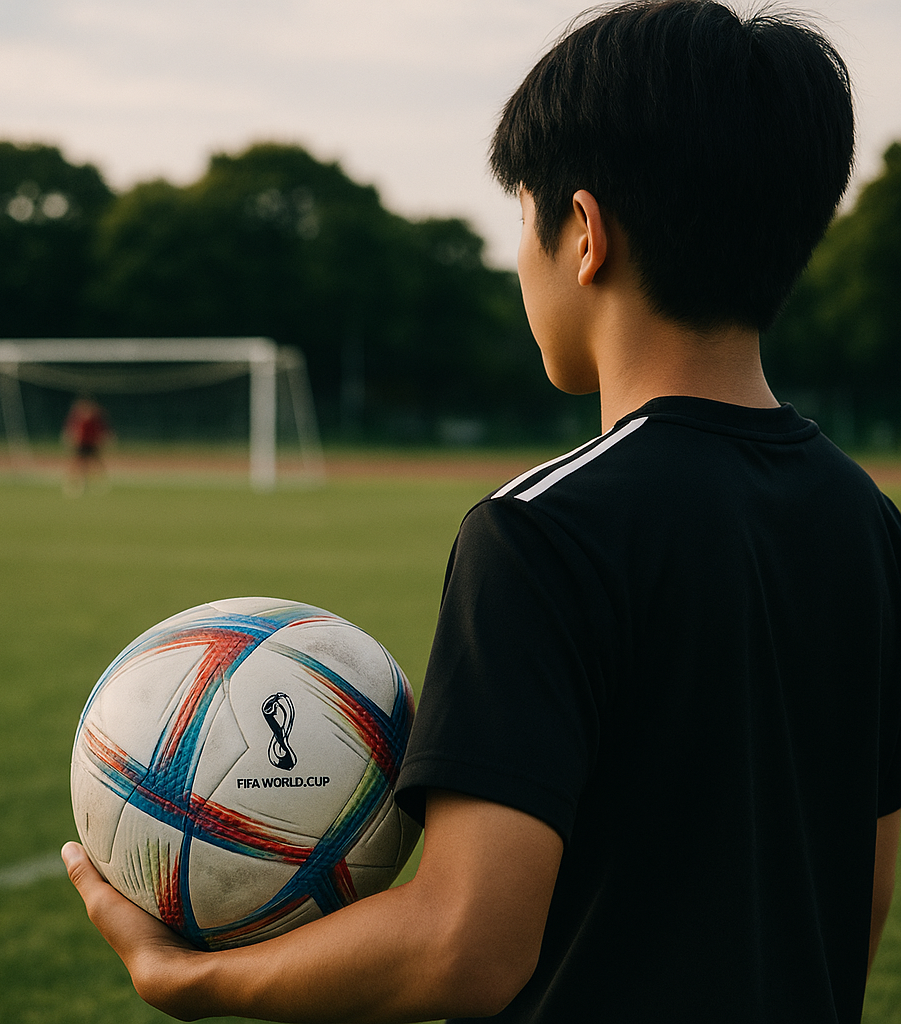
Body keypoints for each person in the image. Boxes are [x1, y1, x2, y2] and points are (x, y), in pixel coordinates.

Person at [62, 2, 901, 1021]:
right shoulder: (864, 520)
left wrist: (192, 977)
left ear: (584, 234)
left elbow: (467, 943)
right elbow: (857, 895)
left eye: (523, 218)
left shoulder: (542, 533)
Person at [62, 396, 111, 495]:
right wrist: (70, 440)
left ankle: (101, 484)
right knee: (78, 464)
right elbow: (72, 431)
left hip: (91, 443)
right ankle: (75, 486)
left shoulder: (95, 418)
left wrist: (103, 440)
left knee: (97, 464)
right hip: (81, 443)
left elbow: (101, 431)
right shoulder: (78, 418)